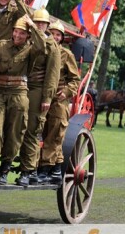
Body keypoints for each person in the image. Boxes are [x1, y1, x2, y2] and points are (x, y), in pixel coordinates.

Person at [0, 15, 45, 185]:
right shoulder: (2, 46)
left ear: (28, 35)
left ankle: (4, 169)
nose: (18, 36)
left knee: (14, 134)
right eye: (16, 32)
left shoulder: (32, 49)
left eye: (22, 33)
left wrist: (33, 25)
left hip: (18, 95)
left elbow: (43, 45)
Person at [17, 7, 60, 186]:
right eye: (37, 22)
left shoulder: (52, 46)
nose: (40, 25)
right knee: (18, 127)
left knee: (32, 130)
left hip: (37, 91)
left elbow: (52, 76)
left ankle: (29, 170)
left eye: (42, 23)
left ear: (47, 25)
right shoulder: (29, 42)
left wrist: (47, 99)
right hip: (22, 88)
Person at [38, 21, 80, 184]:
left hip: (59, 100)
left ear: (62, 38)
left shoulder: (66, 54)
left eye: (58, 34)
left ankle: (46, 168)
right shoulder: (42, 50)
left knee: (54, 133)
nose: (55, 37)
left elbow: (75, 79)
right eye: (52, 33)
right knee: (41, 131)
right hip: (42, 97)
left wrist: (66, 92)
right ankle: (56, 168)